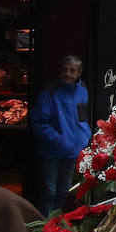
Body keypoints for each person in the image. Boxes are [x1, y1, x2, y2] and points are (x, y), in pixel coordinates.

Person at [31, 55, 91, 215]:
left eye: (72, 70)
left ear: (79, 73)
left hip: (72, 151)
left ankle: (57, 225)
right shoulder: (50, 92)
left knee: (65, 189)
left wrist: (84, 137)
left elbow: (82, 118)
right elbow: (38, 122)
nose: (68, 74)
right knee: (49, 190)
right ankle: (46, 226)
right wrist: (59, 140)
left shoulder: (83, 90)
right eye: (65, 69)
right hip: (52, 151)